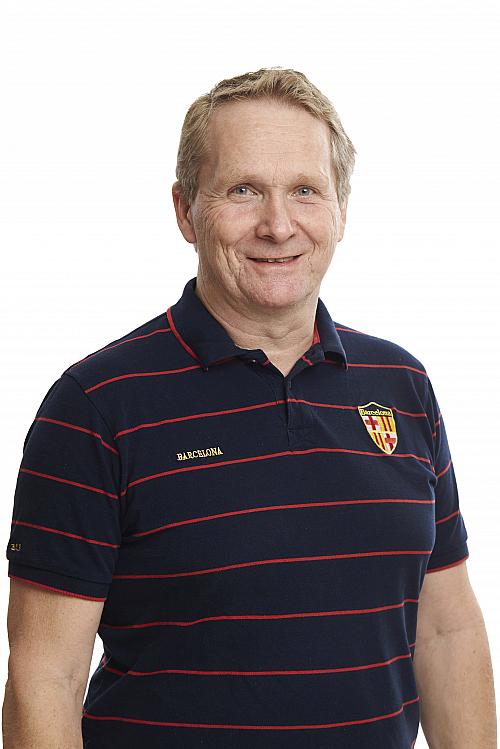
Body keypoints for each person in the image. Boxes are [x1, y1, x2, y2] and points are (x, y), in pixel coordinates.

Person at [2, 67, 496, 749]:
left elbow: (445, 630)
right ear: (185, 211)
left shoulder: (401, 385)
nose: (278, 225)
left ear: (341, 210)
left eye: (305, 190)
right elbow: (44, 679)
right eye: (243, 190)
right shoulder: (95, 406)